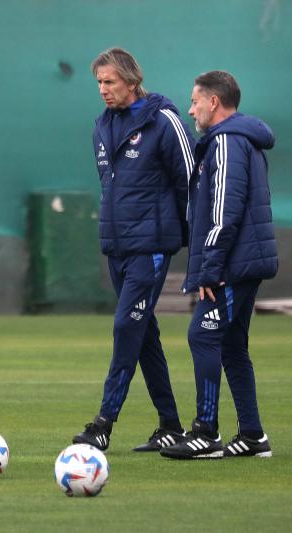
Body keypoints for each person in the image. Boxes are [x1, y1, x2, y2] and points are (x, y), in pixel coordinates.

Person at [72, 48, 196, 452]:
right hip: (118, 247)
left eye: (109, 81)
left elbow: (190, 185)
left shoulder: (164, 121)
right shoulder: (102, 126)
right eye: (98, 83)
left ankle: (103, 423)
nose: (102, 89)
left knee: (127, 326)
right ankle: (170, 425)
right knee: (143, 334)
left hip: (151, 247)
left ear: (131, 80)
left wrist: (196, 249)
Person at [160, 71, 277, 460]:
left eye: (195, 101)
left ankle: (206, 433)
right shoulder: (232, 140)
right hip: (242, 260)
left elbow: (225, 212)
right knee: (231, 345)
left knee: (202, 336)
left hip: (232, 264)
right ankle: (253, 436)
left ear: (214, 102)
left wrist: (210, 267)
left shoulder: (226, 142)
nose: (191, 109)